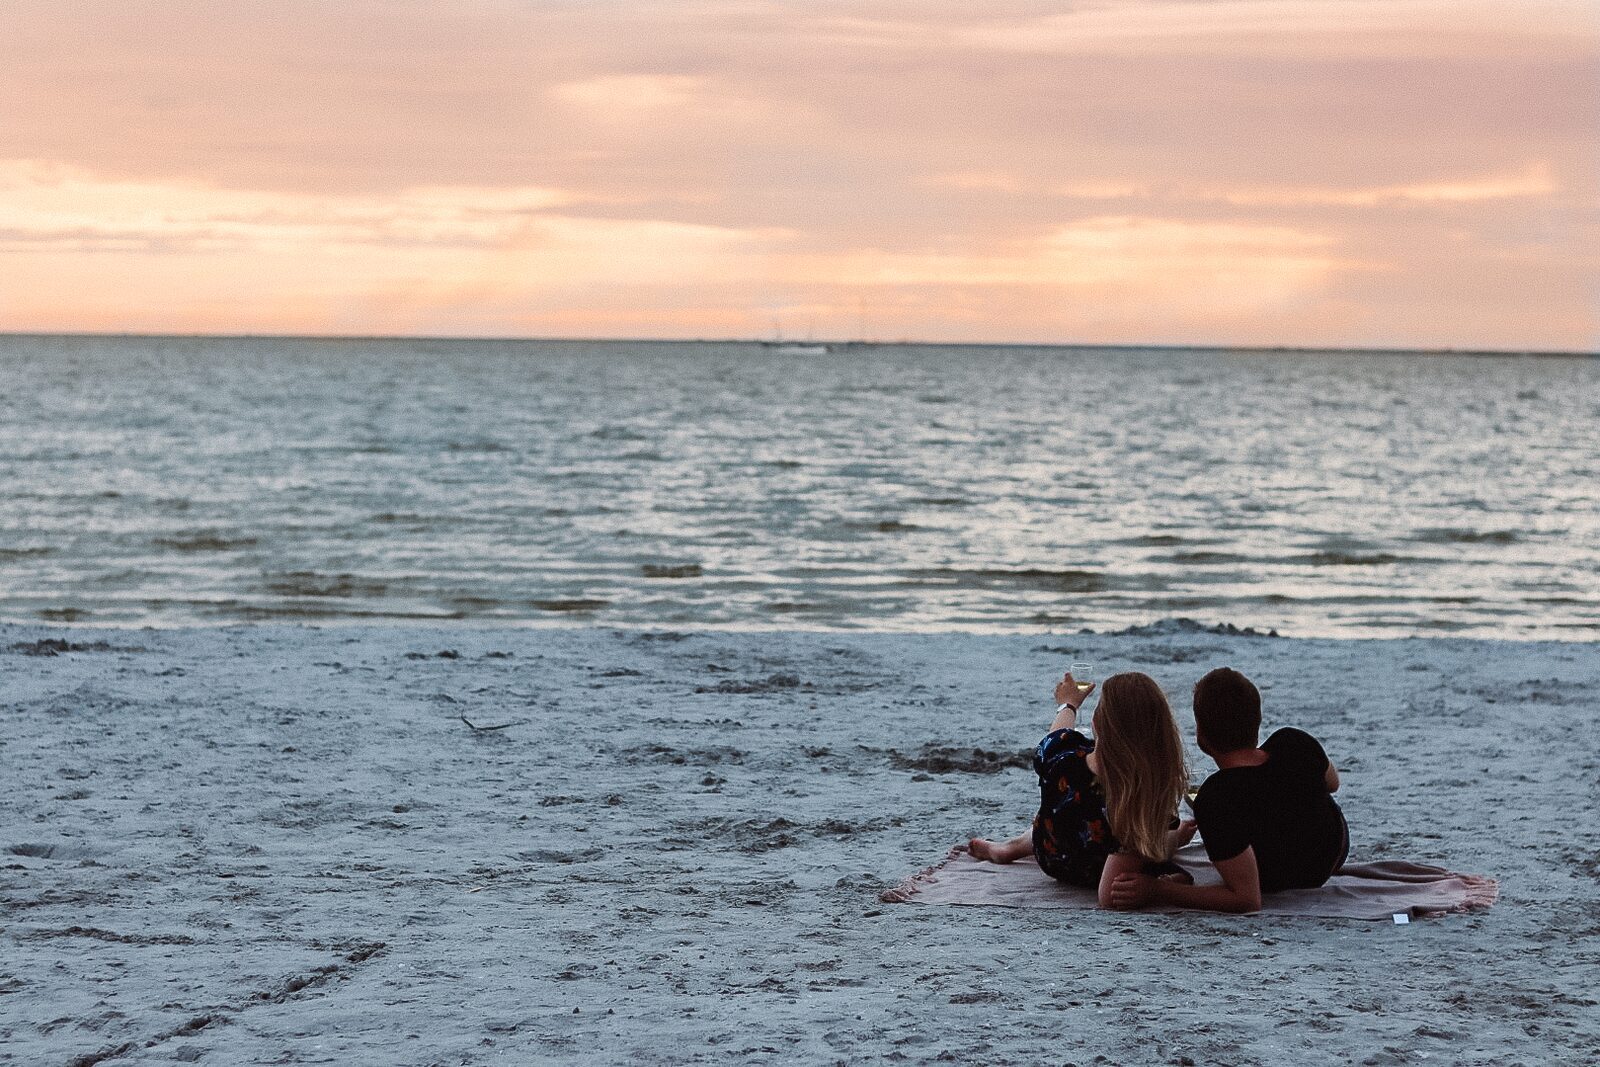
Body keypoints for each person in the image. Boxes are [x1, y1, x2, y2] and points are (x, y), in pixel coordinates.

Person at [1108, 667, 1348, 913]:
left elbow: (1247, 899)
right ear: (1257, 720)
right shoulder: (1292, 741)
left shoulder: (1217, 797)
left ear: (1201, 734)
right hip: (1332, 853)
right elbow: (1333, 783)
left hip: (1282, 877)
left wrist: (1158, 890)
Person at [969, 670, 1193, 908]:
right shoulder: (1144, 789)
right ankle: (1175, 840)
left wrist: (1069, 704)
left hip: (1051, 855)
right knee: (1162, 836)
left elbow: (1057, 734)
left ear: (1096, 724)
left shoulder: (1063, 758)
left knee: (1060, 809)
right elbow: (1108, 896)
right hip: (1098, 869)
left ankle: (1011, 848)